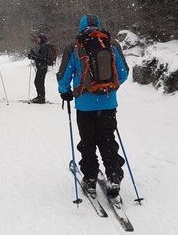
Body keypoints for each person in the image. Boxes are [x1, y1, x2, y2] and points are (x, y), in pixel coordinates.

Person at [56, 14, 129, 197]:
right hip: (108, 103)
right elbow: (124, 73)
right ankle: (113, 176)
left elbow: (64, 75)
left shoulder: (74, 46)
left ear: (80, 26)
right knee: (107, 139)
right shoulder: (111, 44)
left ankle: (89, 178)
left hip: (84, 105)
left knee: (87, 141)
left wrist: (65, 91)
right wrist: (107, 88)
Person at [28, 33, 50, 104]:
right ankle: (40, 96)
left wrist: (33, 55)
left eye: (39, 38)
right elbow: (41, 57)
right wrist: (33, 55)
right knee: (39, 82)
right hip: (42, 67)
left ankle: (41, 97)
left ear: (42, 39)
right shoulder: (44, 46)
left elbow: (42, 58)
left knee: (38, 82)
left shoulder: (44, 46)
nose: (38, 40)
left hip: (42, 67)